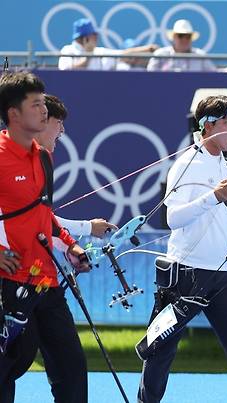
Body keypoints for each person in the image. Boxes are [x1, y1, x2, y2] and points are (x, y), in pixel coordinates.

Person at [137, 95, 227, 403]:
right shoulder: (186, 165)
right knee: (160, 351)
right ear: (207, 127)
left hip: (222, 274)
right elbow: (173, 218)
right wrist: (213, 197)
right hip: (185, 275)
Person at [0, 71, 90, 402]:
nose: (44, 111)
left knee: (71, 367)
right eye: (36, 104)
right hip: (8, 282)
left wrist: (71, 244)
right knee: (9, 366)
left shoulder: (43, 155)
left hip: (45, 280)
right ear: (13, 114)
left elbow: (42, 214)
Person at [36, 94, 118, 238]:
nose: (62, 130)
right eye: (59, 122)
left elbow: (39, 220)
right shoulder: (12, 158)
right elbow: (34, 220)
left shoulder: (41, 158)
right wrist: (88, 227)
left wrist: (69, 248)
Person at [58, 18, 156, 71]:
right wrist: (88, 56)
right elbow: (65, 70)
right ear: (85, 38)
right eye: (94, 35)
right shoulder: (67, 50)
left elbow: (123, 54)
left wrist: (148, 48)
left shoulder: (99, 51)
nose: (96, 38)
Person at [147, 19, 216, 72]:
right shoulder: (160, 54)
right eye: (180, 36)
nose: (184, 39)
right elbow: (150, 77)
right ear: (174, 37)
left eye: (188, 36)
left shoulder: (201, 56)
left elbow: (214, 75)